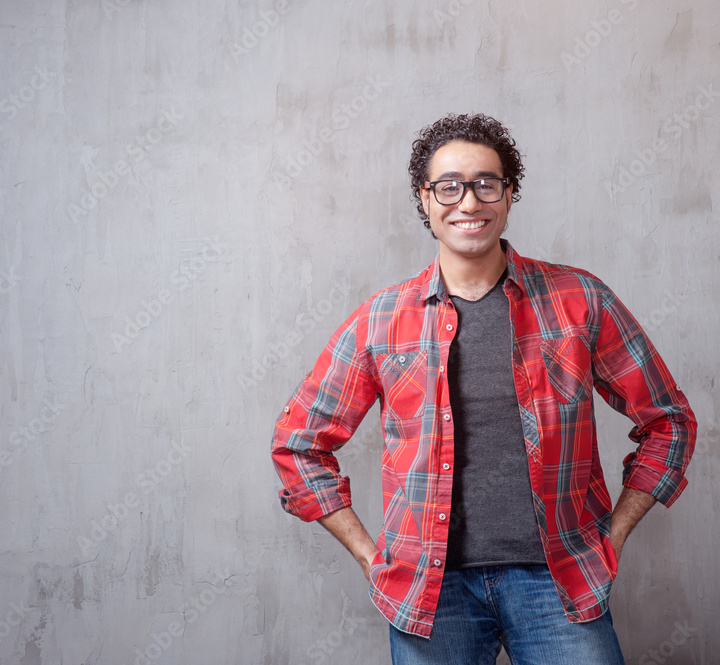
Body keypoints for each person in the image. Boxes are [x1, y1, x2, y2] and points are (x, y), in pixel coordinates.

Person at [271, 113, 697, 664]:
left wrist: (612, 537)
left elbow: (668, 419)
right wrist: (369, 554)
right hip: (431, 592)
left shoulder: (579, 300)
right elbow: (298, 443)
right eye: (447, 187)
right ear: (424, 201)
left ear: (509, 194)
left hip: (559, 584)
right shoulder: (382, 320)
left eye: (485, 184)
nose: (467, 203)